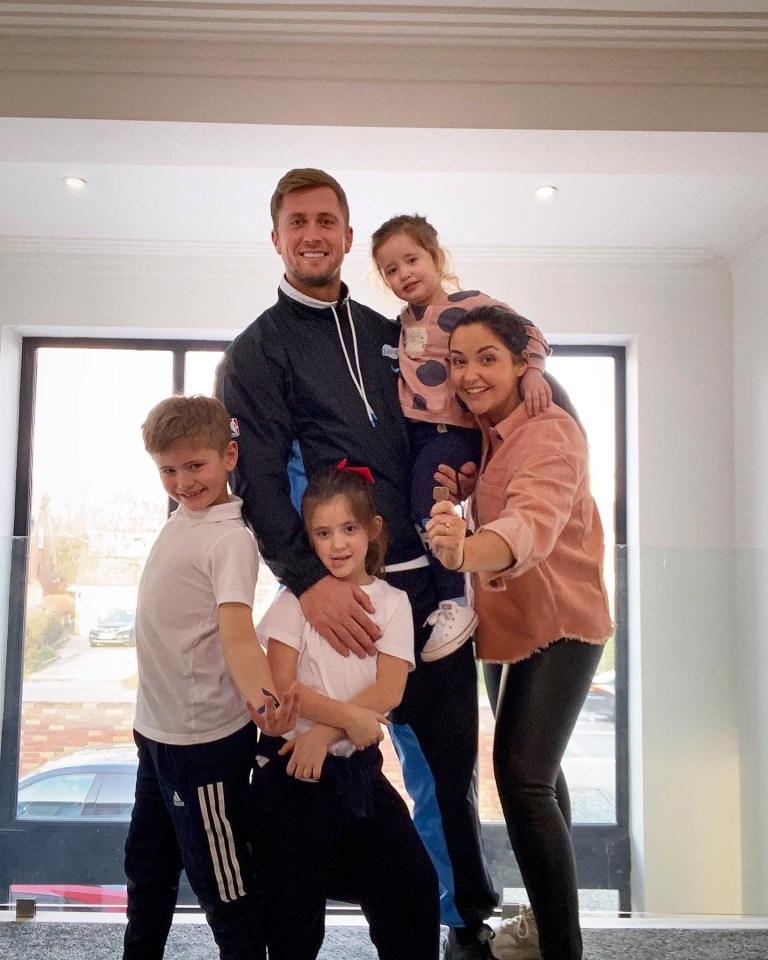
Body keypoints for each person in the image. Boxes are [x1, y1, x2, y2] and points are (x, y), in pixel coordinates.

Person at [216, 168, 499, 959]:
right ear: (277, 238)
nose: (313, 233)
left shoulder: (394, 331)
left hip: (431, 598)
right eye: (297, 221)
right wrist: (312, 585)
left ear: (347, 235)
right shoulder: (255, 351)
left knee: (447, 779)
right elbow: (260, 482)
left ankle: (464, 922)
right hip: (331, 602)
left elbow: (440, 426)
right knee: (326, 772)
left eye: (328, 221)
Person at [427, 305, 613, 960]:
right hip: (508, 629)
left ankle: (564, 948)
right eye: (459, 361)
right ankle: (543, 924)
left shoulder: (549, 431)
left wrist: (464, 550)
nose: (471, 374)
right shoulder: (486, 434)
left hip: (561, 623)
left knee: (521, 776)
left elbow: (531, 525)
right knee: (543, 773)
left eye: (487, 359)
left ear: (517, 363)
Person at [122, 395, 298, 960]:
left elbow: (238, 636)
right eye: (168, 470)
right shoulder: (183, 519)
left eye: (194, 466)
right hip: (156, 732)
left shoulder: (231, 539)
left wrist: (266, 706)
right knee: (145, 866)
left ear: (229, 455)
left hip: (201, 747)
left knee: (224, 887)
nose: (181, 481)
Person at [251, 464, 440, 960]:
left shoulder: (394, 602)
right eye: (322, 532)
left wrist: (327, 731)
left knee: (413, 888)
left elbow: (391, 688)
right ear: (308, 539)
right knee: (292, 917)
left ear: (373, 529)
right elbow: (279, 683)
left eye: (348, 529)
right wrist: (338, 723)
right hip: (293, 772)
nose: (337, 544)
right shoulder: (295, 602)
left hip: (357, 772)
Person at [371, 214, 551, 662]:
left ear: (435, 257)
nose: (403, 274)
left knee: (426, 506)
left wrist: (533, 373)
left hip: (451, 430)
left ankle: (456, 601)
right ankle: (452, 592)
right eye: (391, 270)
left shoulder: (471, 305)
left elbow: (528, 333)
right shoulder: (401, 322)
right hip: (416, 433)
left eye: (411, 260)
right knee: (411, 507)